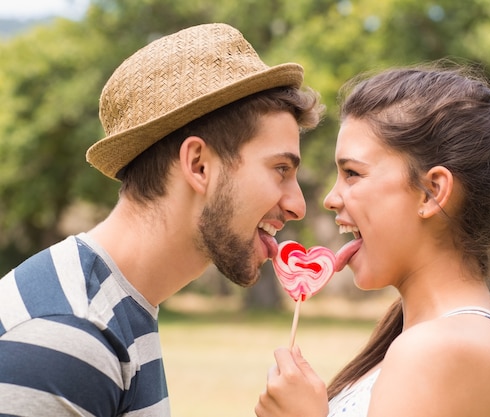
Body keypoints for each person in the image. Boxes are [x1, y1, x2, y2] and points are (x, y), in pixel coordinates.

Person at [0, 23, 323, 416]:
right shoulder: (68, 338)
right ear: (199, 165)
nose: (297, 206)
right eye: (280, 170)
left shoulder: (119, 309)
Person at [255, 63, 490, 417]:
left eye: (353, 174)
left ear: (432, 192)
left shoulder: (441, 349)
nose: (330, 199)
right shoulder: (428, 339)